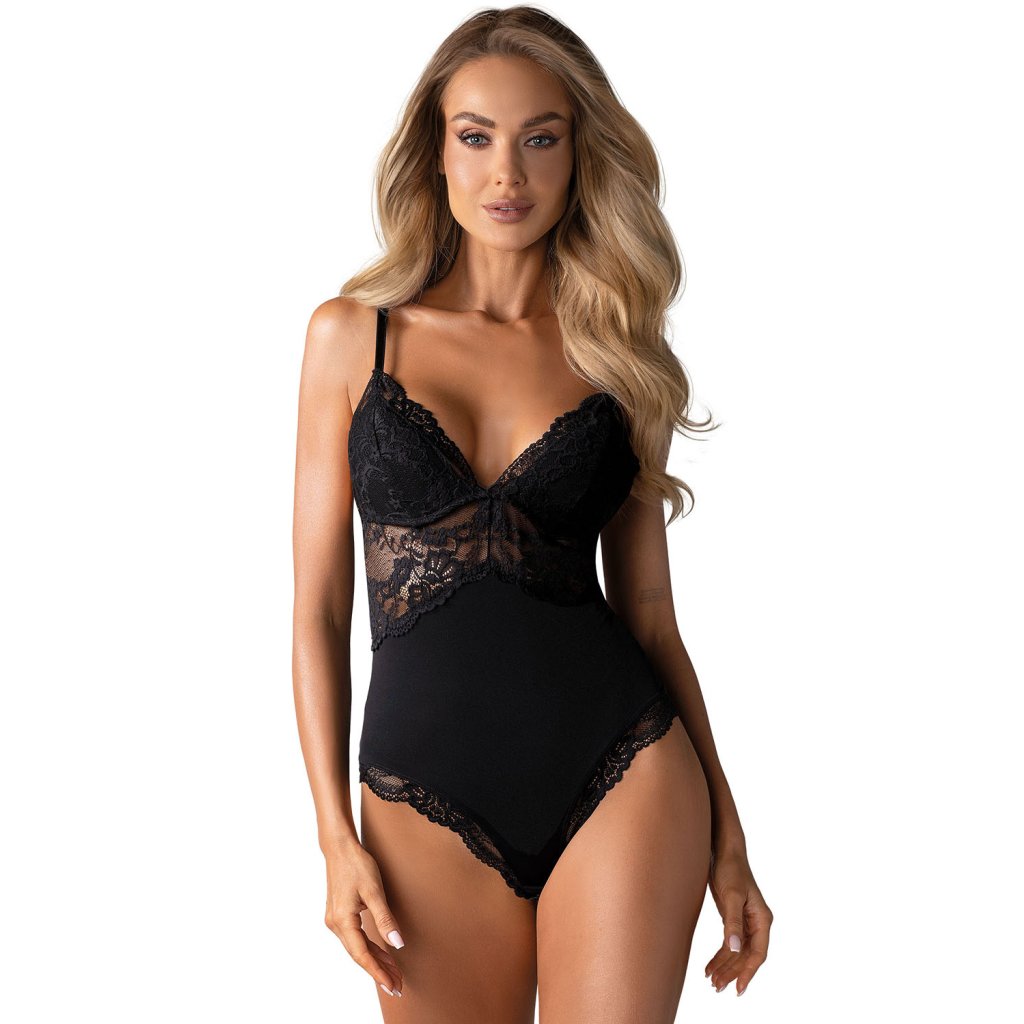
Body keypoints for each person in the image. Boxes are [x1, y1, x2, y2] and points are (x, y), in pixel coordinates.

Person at [292, 6, 772, 1020]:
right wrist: (333, 837)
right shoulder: (352, 337)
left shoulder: (617, 354)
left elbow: (652, 620)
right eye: (476, 137)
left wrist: (729, 834)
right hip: (420, 793)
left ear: (578, 154)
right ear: (435, 152)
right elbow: (318, 609)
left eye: (540, 139)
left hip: (624, 769)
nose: (506, 173)